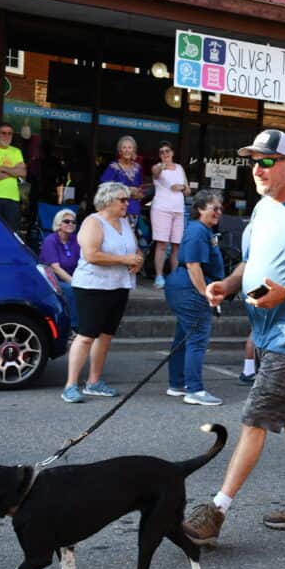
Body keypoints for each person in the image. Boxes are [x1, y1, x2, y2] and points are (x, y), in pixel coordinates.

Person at [181, 129, 285, 545]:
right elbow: (251, 264)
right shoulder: (261, 208)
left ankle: (216, 511)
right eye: (253, 160)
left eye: (266, 161)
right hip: (264, 328)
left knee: (255, 417)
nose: (257, 168)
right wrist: (227, 284)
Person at [61, 182, 142, 403]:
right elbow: (91, 255)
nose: (127, 203)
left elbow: (134, 249)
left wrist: (138, 261)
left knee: (106, 336)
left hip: (119, 285)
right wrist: (125, 260)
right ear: (107, 201)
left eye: (128, 199)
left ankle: (94, 381)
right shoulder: (93, 222)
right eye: (122, 199)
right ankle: (70, 384)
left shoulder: (125, 223)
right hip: (92, 286)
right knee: (86, 335)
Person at [164, 190, 225, 406]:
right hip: (190, 290)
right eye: (213, 208)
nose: (218, 212)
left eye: (220, 208)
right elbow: (193, 265)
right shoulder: (198, 230)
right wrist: (205, 294)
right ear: (199, 209)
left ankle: (177, 383)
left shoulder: (202, 230)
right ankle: (195, 390)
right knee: (197, 339)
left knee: (183, 337)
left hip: (184, 288)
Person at [151, 140, 190, 288]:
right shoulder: (158, 167)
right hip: (162, 209)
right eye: (162, 152)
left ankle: (174, 277)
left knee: (176, 245)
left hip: (178, 210)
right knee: (161, 243)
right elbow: (155, 173)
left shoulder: (179, 168)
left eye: (167, 151)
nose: (165, 154)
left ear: (172, 152)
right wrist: (162, 165)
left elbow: (187, 190)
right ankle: (159, 277)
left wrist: (182, 187)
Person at [39, 208, 82, 332]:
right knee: (71, 289)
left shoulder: (75, 239)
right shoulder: (50, 241)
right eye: (67, 221)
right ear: (58, 224)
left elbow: (83, 263)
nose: (71, 224)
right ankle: (73, 327)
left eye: (73, 222)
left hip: (72, 277)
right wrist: (74, 281)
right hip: (52, 279)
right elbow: (55, 268)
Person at [100, 135, 145, 232]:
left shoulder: (138, 168)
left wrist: (139, 194)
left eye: (130, 147)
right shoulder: (113, 167)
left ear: (134, 150)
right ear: (119, 150)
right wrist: (127, 190)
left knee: (129, 239)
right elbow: (104, 189)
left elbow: (141, 190)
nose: (127, 150)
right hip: (116, 209)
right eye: (124, 147)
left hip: (133, 209)